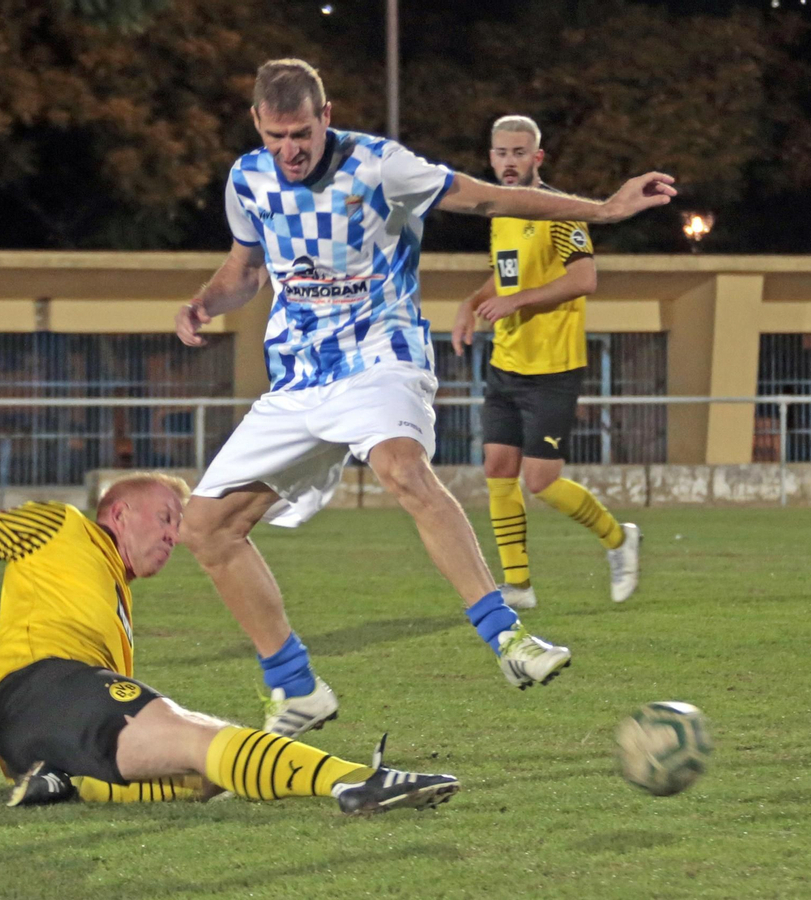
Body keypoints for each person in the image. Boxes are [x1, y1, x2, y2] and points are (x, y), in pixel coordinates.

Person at [174, 59, 674, 737]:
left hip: (381, 356)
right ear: (258, 125)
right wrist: (204, 303)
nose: (289, 150)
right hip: (298, 378)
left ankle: (510, 641)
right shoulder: (248, 178)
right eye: (275, 136)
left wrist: (605, 211)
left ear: (326, 117)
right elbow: (245, 270)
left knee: (401, 468)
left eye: (301, 134)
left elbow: (488, 198)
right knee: (205, 529)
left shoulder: (382, 166)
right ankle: (296, 688)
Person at [0, 473, 460, 815]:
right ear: (116, 511)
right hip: (45, 687)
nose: (172, 534)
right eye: (164, 517)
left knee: (197, 778)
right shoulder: (61, 526)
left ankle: (55, 783)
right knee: (198, 734)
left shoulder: (113, 594)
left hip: (25, 734)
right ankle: (354, 781)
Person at [450, 115, 641, 609]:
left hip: (552, 367)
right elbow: (504, 277)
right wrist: (471, 303)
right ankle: (518, 586)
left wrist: (519, 302)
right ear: (490, 158)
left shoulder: (560, 213)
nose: (508, 162)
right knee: (496, 466)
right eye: (500, 153)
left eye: (519, 153)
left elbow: (584, 278)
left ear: (538, 158)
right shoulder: (501, 215)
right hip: (507, 360)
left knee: (541, 481)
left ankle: (619, 540)